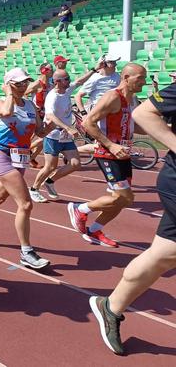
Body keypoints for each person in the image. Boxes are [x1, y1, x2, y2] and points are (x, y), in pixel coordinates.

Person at [89, 82, 176, 355]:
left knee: (164, 254)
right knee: (123, 197)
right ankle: (84, 212)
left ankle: (111, 306)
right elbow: (143, 114)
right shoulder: (112, 96)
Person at [0, 68, 55, 269]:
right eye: (18, 83)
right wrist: (8, 94)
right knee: (25, 204)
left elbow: (39, 130)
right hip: (2, 156)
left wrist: (50, 127)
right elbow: (6, 112)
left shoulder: (30, 105)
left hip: (20, 157)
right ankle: (26, 252)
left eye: (25, 83)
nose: (23, 86)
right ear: (8, 84)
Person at [67, 63, 147, 247]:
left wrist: (163, 131)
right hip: (107, 153)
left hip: (122, 154)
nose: (144, 82)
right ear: (126, 78)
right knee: (126, 198)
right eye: (140, 78)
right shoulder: (112, 97)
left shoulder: (131, 99)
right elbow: (88, 123)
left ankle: (94, 230)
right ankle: (80, 209)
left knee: (120, 201)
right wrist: (111, 145)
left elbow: (135, 125)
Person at [28, 66, 98, 202]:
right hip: (53, 135)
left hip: (65, 136)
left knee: (75, 163)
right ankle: (34, 189)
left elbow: (79, 81)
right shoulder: (52, 97)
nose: (69, 81)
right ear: (57, 82)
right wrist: (68, 127)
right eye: (66, 79)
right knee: (50, 166)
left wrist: (95, 70)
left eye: (69, 78)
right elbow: (50, 116)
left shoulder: (66, 90)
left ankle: (50, 181)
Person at [25, 62, 54, 168]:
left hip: (45, 113)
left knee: (44, 138)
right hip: (36, 114)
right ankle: (26, 152)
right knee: (36, 138)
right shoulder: (37, 83)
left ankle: (30, 156)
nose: (52, 71)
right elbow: (24, 93)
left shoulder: (51, 85)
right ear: (43, 70)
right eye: (50, 69)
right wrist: (30, 106)